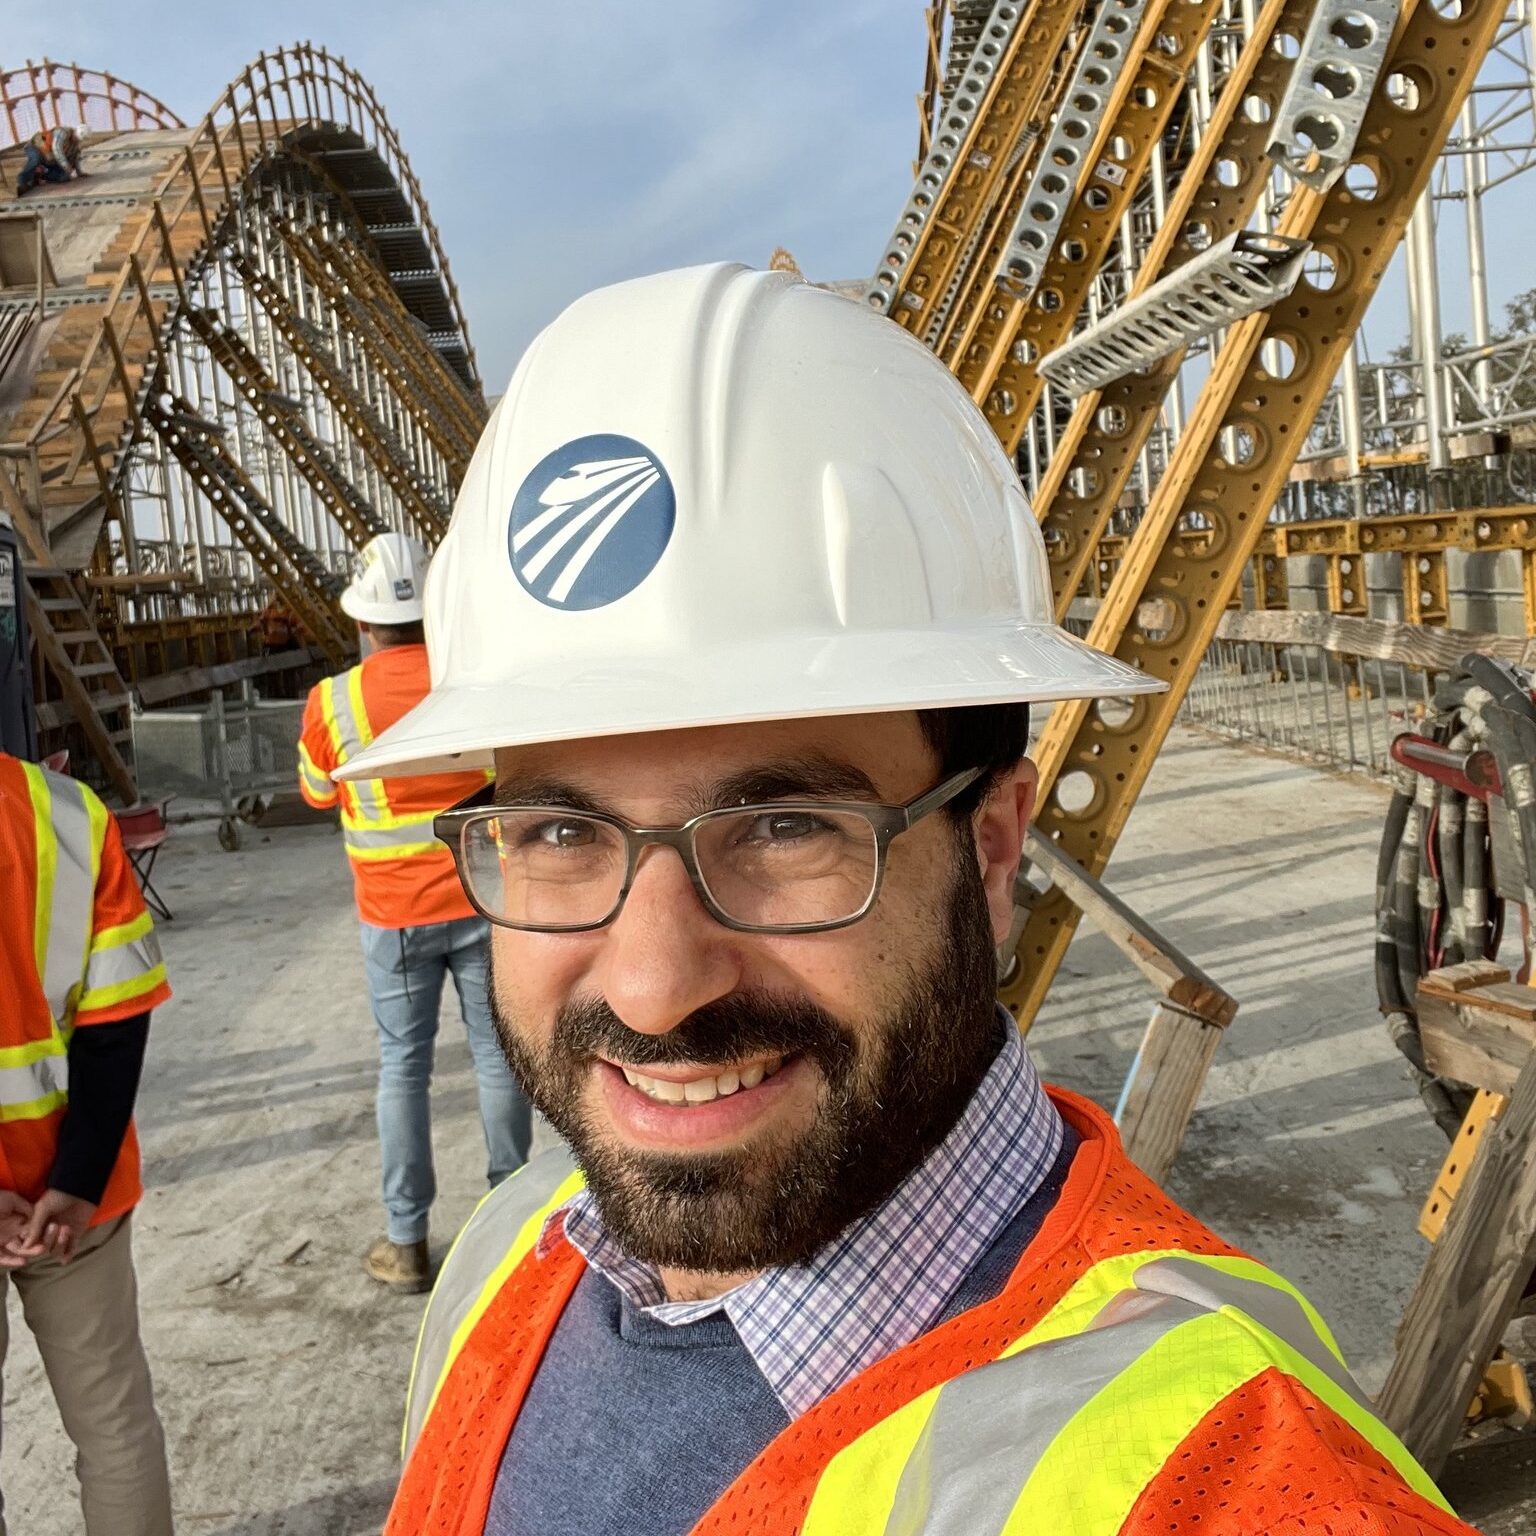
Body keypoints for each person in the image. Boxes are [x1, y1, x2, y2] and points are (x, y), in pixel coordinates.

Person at [341, 265, 1479, 1534]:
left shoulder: (1228, 1483)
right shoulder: (517, 1252)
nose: (654, 986)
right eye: (558, 831)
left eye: (784, 829)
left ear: (995, 850)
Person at [297, 532, 532, 1294]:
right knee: (498, 1056)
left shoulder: (333, 702)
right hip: (482, 897)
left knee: (404, 1068)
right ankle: (507, 1219)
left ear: (363, 623)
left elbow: (316, 791)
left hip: (393, 918)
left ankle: (407, 1243)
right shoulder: (474, 681)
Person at [0, 751, 173, 1534]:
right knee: (114, 1430)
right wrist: (76, 1176)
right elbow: (116, 1016)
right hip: (76, 1202)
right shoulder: (67, 813)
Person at [15, 125, 84, 196]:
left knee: (65, 177)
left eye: (77, 139)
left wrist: (79, 172)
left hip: (48, 158)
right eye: (75, 138)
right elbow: (56, 149)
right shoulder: (62, 133)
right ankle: (22, 180)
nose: (75, 140)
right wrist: (66, 166)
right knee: (36, 159)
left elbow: (75, 156)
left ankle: (40, 173)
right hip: (36, 148)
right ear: (74, 133)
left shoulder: (75, 143)